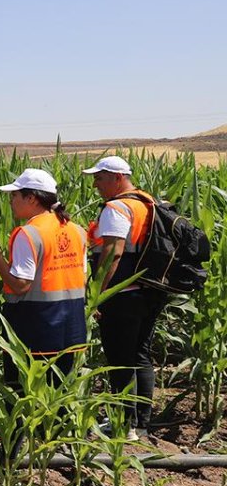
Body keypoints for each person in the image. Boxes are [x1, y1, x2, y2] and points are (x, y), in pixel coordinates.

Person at [0, 168, 87, 389]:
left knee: (26, 397)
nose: (11, 201)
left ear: (32, 198)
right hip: (72, 330)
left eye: (15, 195)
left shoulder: (28, 233)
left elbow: (20, 285)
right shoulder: (77, 231)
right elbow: (80, 277)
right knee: (59, 397)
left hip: (35, 330)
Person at [83, 156, 166, 441]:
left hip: (123, 295)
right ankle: (141, 422)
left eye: (99, 178)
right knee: (140, 354)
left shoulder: (117, 207)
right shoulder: (147, 202)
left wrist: (97, 294)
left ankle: (124, 424)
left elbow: (113, 253)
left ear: (118, 177)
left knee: (120, 359)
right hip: (150, 291)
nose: (95, 184)